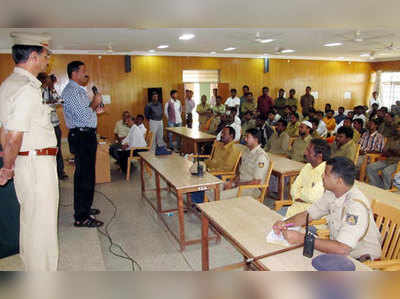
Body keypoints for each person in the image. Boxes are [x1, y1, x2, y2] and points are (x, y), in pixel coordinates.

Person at [0, 32, 59, 270]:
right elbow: (14, 135)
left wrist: (9, 162)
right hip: (36, 165)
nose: (47, 61)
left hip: (27, 163)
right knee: (42, 226)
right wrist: (7, 166)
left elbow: (4, 131)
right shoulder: (26, 89)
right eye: (46, 56)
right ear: (33, 56)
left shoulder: (8, 84)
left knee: (31, 220)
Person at [272, 157, 382, 261]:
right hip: (339, 251)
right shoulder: (332, 193)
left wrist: (302, 239)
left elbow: (342, 249)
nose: (322, 176)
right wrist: (285, 224)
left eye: (326, 174)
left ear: (339, 181)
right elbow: (308, 214)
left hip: (361, 260)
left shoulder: (355, 207)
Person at [62, 60, 104, 228]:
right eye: (83, 71)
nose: (86, 74)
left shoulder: (79, 90)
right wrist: (94, 103)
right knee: (84, 177)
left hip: (86, 135)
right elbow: (83, 116)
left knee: (88, 174)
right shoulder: (71, 91)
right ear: (74, 73)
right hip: (81, 136)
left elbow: (87, 113)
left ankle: (85, 208)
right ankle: (81, 217)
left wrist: (95, 107)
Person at [216, 128, 270, 200]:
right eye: (245, 137)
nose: (245, 139)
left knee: (218, 196)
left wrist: (234, 185)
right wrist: (232, 182)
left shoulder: (261, 157)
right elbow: (240, 173)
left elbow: (256, 182)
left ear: (255, 139)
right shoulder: (246, 151)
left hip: (251, 189)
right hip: (240, 183)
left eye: (247, 137)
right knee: (212, 188)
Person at [284, 138, 330, 217]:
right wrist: (301, 197)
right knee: (270, 218)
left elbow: (312, 196)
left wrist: (299, 195)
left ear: (319, 156)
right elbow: (293, 190)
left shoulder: (326, 172)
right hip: (294, 209)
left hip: (311, 218)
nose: (305, 153)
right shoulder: (307, 167)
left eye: (308, 151)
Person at [38, 72, 68, 180]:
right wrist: (50, 102)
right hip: (43, 126)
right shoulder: (36, 91)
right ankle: (48, 173)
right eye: (48, 80)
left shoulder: (50, 90)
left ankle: (60, 172)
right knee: (45, 149)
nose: (50, 82)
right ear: (42, 80)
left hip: (55, 124)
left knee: (57, 149)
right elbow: (41, 104)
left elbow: (60, 101)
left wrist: (53, 88)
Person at [367, 124, 400, 189]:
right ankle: (378, 186)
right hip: (387, 160)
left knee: (386, 172)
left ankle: (386, 190)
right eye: (398, 127)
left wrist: (392, 152)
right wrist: (394, 152)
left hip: (397, 162)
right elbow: (384, 151)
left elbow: (396, 153)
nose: (398, 129)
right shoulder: (391, 138)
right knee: (370, 167)